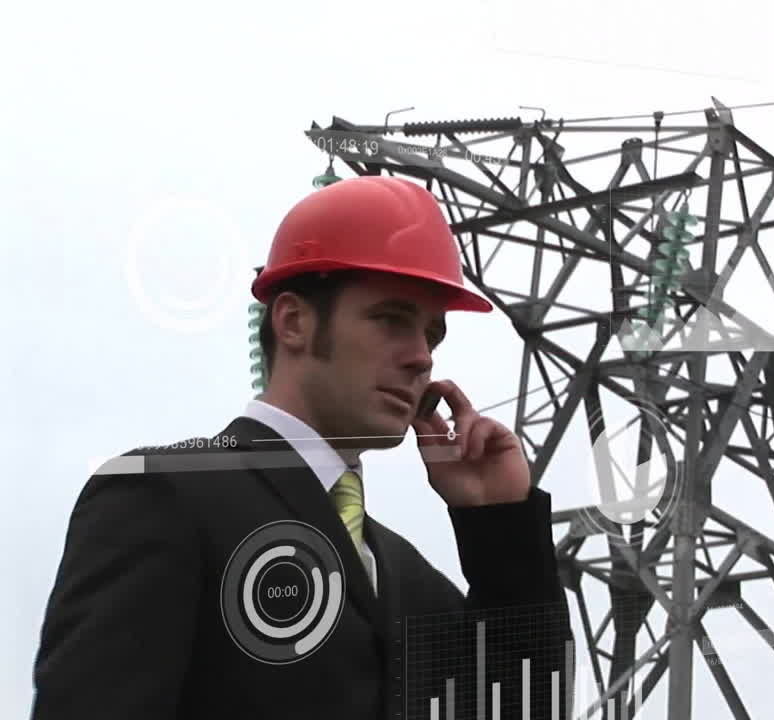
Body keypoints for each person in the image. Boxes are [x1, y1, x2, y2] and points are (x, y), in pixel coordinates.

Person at [31, 176, 575, 720]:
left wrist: (501, 524)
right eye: (392, 320)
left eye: (432, 335)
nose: (421, 357)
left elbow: (527, 709)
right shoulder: (160, 494)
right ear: (293, 322)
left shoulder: (412, 582)